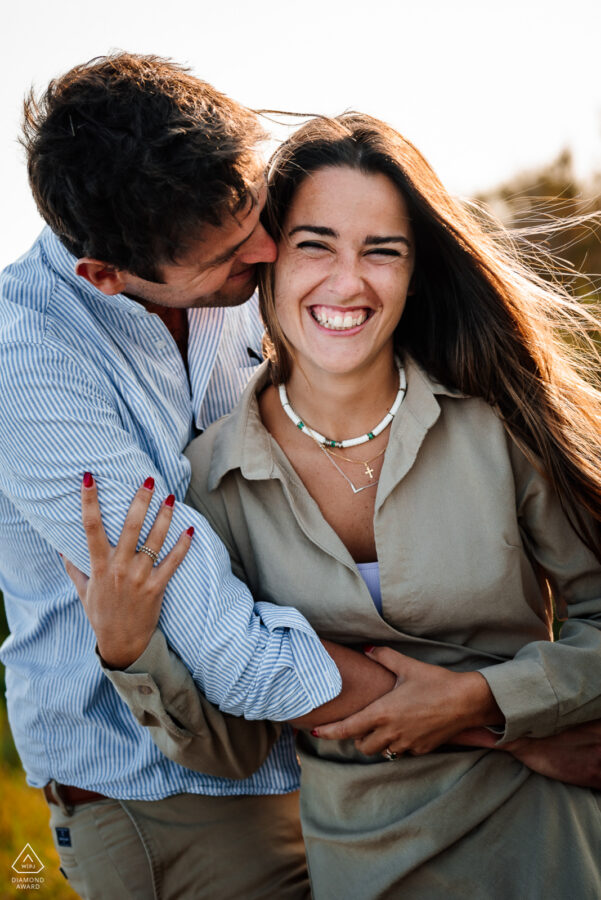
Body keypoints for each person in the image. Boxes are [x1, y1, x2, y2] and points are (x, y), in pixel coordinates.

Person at [68, 113, 601, 898]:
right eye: (315, 244)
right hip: (365, 866)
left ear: (414, 272)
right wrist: (129, 653)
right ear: (266, 261)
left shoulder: (497, 428)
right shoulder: (210, 479)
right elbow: (235, 746)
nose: (347, 283)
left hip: (548, 842)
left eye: (380, 251)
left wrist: (486, 698)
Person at [0, 54, 401, 900]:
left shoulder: (230, 256)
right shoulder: (27, 367)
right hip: (168, 805)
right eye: (227, 256)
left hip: (336, 758)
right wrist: (494, 722)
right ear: (104, 277)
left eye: (257, 212)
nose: (266, 249)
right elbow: (231, 654)